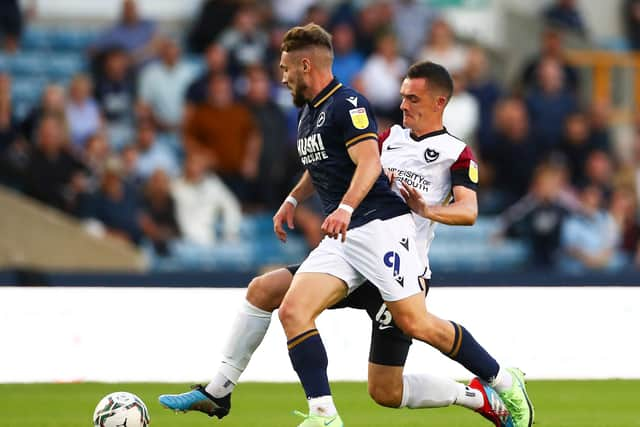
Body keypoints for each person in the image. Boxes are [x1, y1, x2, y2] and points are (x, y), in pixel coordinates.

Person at [159, 24, 533, 427]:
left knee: (396, 366)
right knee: (278, 300)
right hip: (350, 238)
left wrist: (423, 210)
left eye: (413, 97)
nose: (403, 103)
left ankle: (498, 380)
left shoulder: (456, 153)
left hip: (390, 244)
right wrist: (293, 198)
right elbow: (331, 163)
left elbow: (467, 211)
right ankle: (267, 401)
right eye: (403, 95)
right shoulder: (378, 135)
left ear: (439, 102)